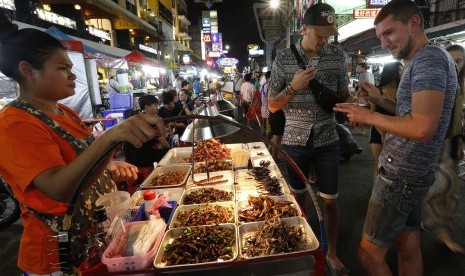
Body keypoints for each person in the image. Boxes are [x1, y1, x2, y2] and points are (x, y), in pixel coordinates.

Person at [0, 13, 166, 275]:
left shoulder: (65, 113)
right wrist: (111, 138)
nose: (72, 76)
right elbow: (58, 187)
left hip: (92, 240)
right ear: (28, 70)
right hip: (56, 256)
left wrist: (108, 167)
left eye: (70, 68)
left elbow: (77, 161)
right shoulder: (14, 123)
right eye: (62, 69)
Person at [334, 1, 458, 275]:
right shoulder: (427, 58)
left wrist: (367, 117)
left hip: (401, 173)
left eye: (389, 33)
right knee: (407, 244)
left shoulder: (428, 60)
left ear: (413, 23)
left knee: (368, 254)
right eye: (379, 36)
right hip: (414, 172)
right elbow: (412, 115)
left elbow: (423, 127)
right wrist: (380, 101)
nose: (385, 42)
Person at [268, 3, 350, 275]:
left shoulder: (337, 55)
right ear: (304, 28)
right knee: (297, 198)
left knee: (330, 201)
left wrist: (356, 101)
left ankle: (332, 252)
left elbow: (342, 94)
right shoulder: (283, 59)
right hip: (294, 139)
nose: (325, 40)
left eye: (329, 34)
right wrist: (293, 87)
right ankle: (301, 245)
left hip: (328, 138)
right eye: (320, 34)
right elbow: (272, 105)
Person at [422, 44, 465, 254]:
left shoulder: (462, 85)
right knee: (425, 187)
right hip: (429, 142)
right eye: (452, 60)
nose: (455, 65)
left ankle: (443, 233)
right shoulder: (436, 81)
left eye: (459, 61)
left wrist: (460, 144)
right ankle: (419, 219)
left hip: (451, 143)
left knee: (448, 191)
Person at [369, 61, 403, 178]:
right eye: (399, 69)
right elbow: (372, 113)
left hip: (397, 132)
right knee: (378, 165)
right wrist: (382, 133)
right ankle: (376, 194)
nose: (402, 72)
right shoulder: (378, 90)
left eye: (402, 69)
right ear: (391, 72)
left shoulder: (403, 90)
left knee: (395, 168)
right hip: (377, 131)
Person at [123, 95, 170, 168]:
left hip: (129, 158)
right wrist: (171, 150)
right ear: (146, 107)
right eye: (155, 106)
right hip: (140, 158)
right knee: (168, 153)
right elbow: (163, 141)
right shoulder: (153, 120)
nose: (157, 108)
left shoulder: (137, 117)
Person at [355, 63, 375, 135]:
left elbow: (360, 86)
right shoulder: (371, 74)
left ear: (364, 68)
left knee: (360, 111)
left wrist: (356, 95)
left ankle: (361, 130)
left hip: (363, 96)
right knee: (371, 112)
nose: (358, 69)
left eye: (359, 67)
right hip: (371, 96)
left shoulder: (362, 75)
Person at [260, 71, 272, 140]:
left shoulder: (262, 86)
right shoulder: (269, 86)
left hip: (263, 109)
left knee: (263, 126)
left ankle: (264, 141)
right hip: (268, 110)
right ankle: (267, 142)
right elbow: (269, 98)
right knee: (268, 128)